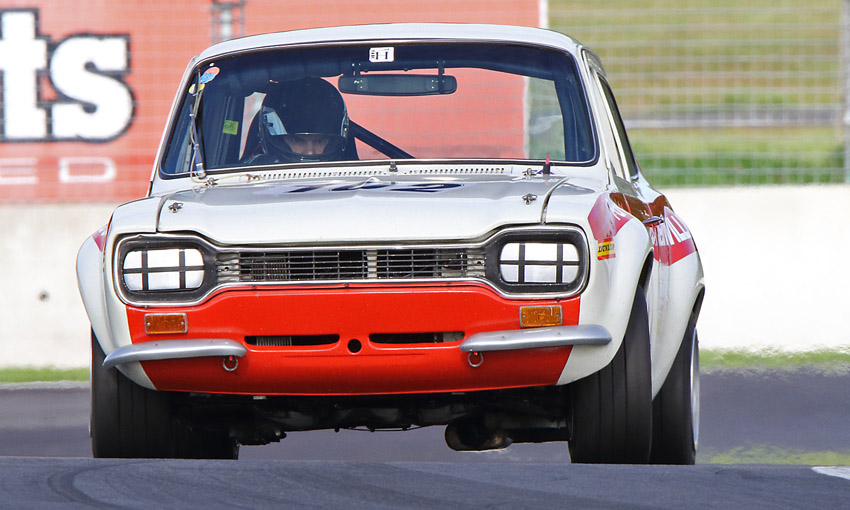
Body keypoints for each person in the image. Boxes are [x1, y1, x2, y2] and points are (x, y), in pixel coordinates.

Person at [256, 77, 351, 163]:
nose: (310, 152)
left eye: (319, 142)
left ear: (332, 143)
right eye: (297, 141)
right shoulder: (252, 175)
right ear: (279, 141)